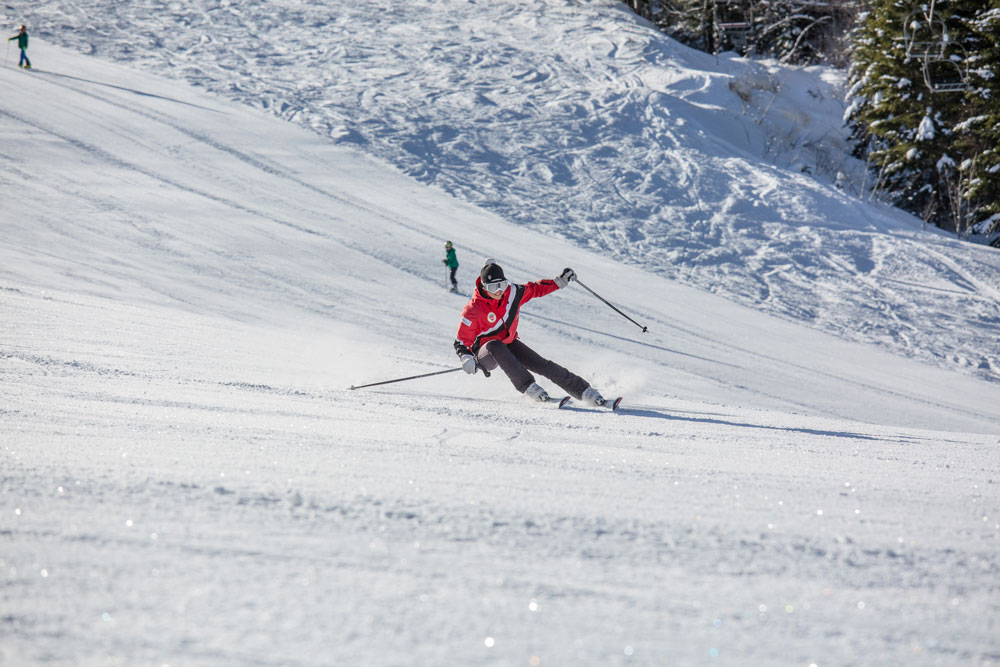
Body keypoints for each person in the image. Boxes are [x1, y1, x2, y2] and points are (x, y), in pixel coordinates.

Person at [453, 260, 607, 405]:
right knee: (494, 345)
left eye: (502, 284)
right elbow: (461, 341)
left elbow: (535, 289)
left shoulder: (512, 293)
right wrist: (466, 358)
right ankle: (530, 388)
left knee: (542, 364)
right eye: (493, 287)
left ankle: (584, 391)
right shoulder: (473, 310)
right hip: (485, 354)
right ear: (484, 287)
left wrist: (559, 282)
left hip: (509, 343)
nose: (499, 291)